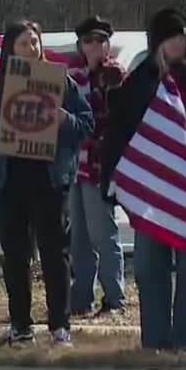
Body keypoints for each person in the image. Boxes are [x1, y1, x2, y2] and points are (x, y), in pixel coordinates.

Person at [0, 20, 93, 346]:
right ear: (10, 50)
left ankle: (60, 325)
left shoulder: (61, 83)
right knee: (15, 255)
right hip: (8, 181)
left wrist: (65, 120)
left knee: (55, 254)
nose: (31, 48)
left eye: (34, 42)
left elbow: (86, 124)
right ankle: (21, 326)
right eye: (23, 43)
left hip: (49, 180)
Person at [102, 8, 186, 351]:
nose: (177, 43)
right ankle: (155, 341)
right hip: (151, 196)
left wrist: (183, 75)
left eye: (181, 36)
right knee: (149, 268)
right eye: (169, 37)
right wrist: (111, 179)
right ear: (157, 42)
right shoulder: (139, 82)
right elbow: (119, 133)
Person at [66, 16, 127, 318]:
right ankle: (80, 299)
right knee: (78, 237)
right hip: (73, 166)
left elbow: (115, 121)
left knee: (103, 234)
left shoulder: (114, 75)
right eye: (88, 40)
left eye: (100, 40)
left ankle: (114, 298)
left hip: (100, 167)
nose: (94, 46)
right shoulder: (72, 74)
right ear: (80, 44)